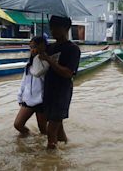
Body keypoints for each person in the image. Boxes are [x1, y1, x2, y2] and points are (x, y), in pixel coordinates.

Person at [39, 16, 81, 149]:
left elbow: (68, 73)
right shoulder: (50, 47)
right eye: (51, 27)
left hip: (61, 93)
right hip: (48, 90)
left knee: (50, 131)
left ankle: (51, 162)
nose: (53, 30)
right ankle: (65, 149)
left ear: (66, 28)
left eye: (56, 27)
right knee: (58, 127)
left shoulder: (73, 49)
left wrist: (49, 60)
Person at [14, 36, 49, 135]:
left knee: (43, 130)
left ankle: (43, 146)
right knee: (18, 124)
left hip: (41, 101)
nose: (33, 50)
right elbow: (24, 81)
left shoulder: (46, 64)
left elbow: (44, 79)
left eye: (35, 47)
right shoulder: (29, 64)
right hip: (28, 100)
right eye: (31, 47)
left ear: (42, 47)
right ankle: (29, 136)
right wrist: (20, 96)